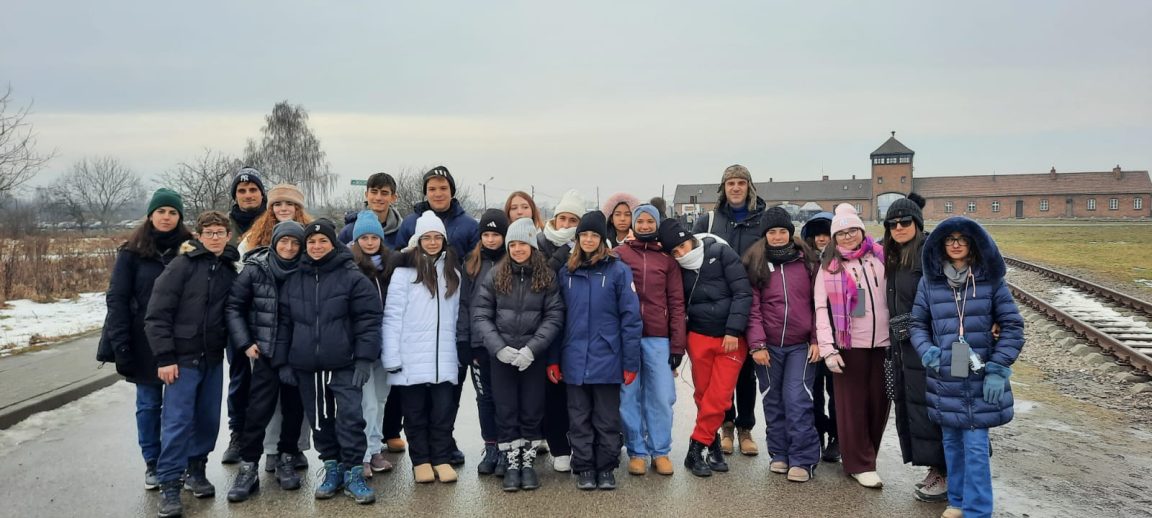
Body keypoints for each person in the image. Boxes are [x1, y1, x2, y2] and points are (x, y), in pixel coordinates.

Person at [911, 217, 1024, 518]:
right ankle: (958, 501)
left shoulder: (990, 281)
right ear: (940, 246)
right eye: (950, 239)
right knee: (951, 442)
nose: (956, 244)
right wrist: (927, 351)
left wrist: (999, 367)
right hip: (945, 376)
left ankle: (978, 510)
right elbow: (917, 323)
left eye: (962, 238)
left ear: (973, 243)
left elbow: (1013, 325)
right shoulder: (930, 283)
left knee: (975, 445)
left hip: (981, 377)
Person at [276, 219, 383, 504]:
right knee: (320, 420)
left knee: (350, 418)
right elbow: (284, 324)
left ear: (333, 244)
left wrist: (364, 358)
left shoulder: (352, 277)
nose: (317, 246)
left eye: (323, 241)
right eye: (311, 242)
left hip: (344, 363)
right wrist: (283, 362)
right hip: (307, 366)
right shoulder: (294, 279)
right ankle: (332, 468)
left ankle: (353, 471)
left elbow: (369, 319)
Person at [144, 211, 240, 518]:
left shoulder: (228, 270)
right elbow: (157, 314)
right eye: (208, 233)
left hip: (212, 358)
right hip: (182, 360)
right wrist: (165, 357)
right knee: (177, 421)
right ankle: (169, 483)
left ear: (228, 236)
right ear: (198, 236)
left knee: (208, 419)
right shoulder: (181, 266)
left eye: (220, 232)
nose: (215, 238)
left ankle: (196, 469)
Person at [97, 188, 192, 492]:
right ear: (151, 215)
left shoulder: (189, 249)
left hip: (181, 340)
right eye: (161, 211)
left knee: (179, 408)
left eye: (173, 212)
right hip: (142, 341)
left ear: (179, 217)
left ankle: (177, 462)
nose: (166, 217)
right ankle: (152, 461)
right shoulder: (132, 253)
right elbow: (117, 299)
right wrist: (121, 345)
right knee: (149, 404)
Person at [473, 217, 566, 491]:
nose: (517, 249)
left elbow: (554, 315)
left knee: (531, 409)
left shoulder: (545, 276)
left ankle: (527, 462)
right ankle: (512, 462)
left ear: (532, 246)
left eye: (522, 244)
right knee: (506, 409)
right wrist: (498, 347)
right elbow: (481, 314)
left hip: (532, 357)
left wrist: (532, 349)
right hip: (502, 356)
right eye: (512, 244)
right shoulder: (496, 274)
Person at [552, 211, 642, 491]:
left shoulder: (618, 271)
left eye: (594, 235)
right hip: (573, 357)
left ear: (602, 239)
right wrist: (554, 359)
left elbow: (631, 318)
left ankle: (606, 467)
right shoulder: (566, 272)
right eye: (584, 235)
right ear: (578, 239)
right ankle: (584, 467)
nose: (589, 240)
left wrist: (630, 362)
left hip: (607, 358)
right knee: (578, 417)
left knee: (606, 418)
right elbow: (556, 318)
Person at [657, 218, 751, 478]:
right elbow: (676, 305)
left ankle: (695, 447)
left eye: (682, 246)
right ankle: (713, 445)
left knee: (719, 397)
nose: (681, 254)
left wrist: (733, 330)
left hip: (730, 339)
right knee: (703, 394)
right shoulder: (677, 268)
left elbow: (742, 292)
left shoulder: (721, 252)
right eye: (675, 252)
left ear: (690, 238)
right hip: (698, 336)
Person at [224, 221, 308, 502]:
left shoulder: (307, 269)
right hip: (265, 352)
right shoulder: (255, 268)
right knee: (258, 409)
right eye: (284, 241)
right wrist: (245, 342)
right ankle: (248, 466)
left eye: (295, 243)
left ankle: (286, 457)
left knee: (294, 409)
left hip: (297, 353)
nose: (289, 247)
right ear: (274, 242)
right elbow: (234, 306)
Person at [382, 211, 464, 484]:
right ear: (418, 241)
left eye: (437, 237)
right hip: (411, 358)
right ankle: (421, 461)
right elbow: (392, 317)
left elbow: (456, 317)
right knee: (415, 414)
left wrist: (458, 353)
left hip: (443, 358)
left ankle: (441, 458)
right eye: (426, 237)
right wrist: (391, 356)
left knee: (442, 413)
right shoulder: (404, 272)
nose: (432, 242)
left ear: (444, 240)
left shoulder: (453, 273)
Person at [814, 203, 892, 488]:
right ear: (835, 237)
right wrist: (828, 349)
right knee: (852, 406)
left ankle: (868, 455)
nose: (847, 237)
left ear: (861, 231)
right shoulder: (829, 268)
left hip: (883, 344)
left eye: (852, 231)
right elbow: (821, 310)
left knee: (879, 404)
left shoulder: (881, 257)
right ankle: (859, 463)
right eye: (841, 233)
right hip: (849, 346)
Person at [692, 164, 767, 456]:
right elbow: (689, 255)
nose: (735, 188)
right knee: (719, 375)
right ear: (723, 188)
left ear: (749, 187)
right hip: (715, 305)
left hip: (749, 302)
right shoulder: (708, 220)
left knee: (746, 371)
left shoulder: (761, 221)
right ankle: (726, 425)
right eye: (730, 183)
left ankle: (745, 428)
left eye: (741, 183)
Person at [743, 207, 820, 483]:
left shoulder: (807, 262)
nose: (777, 236)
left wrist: (816, 339)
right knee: (773, 400)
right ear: (765, 235)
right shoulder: (756, 263)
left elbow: (818, 304)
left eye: (782, 231)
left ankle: (803, 458)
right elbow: (752, 308)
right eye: (772, 232)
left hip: (801, 345)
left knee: (797, 399)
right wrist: (757, 344)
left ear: (790, 232)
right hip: (769, 347)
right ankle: (780, 453)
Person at [882, 193, 948, 502]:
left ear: (917, 224)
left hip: (931, 344)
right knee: (917, 408)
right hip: (904, 345)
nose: (899, 227)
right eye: (892, 223)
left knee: (938, 407)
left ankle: (948, 472)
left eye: (905, 222)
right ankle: (937, 468)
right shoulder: (895, 255)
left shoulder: (931, 254)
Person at [614, 204, 686, 477]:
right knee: (628, 396)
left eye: (649, 221)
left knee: (662, 396)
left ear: (657, 224)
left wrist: (677, 345)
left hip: (658, 338)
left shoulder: (667, 260)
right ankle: (637, 451)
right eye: (640, 221)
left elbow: (676, 303)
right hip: (627, 337)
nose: (645, 226)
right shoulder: (619, 255)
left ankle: (660, 450)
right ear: (633, 224)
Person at [534, 189, 585, 473]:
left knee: (575, 392)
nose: (566, 224)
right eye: (562, 218)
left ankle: (578, 442)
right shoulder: (539, 243)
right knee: (550, 391)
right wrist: (563, 253)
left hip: (576, 327)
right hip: (544, 326)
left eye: (572, 220)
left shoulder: (586, 245)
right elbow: (540, 280)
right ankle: (557, 446)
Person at [458, 209, 509, 476]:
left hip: (505, 343)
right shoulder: (471, 264)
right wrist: (464, 340)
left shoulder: (512, 261)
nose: (490, 240)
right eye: (486, 235)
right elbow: (464, 305)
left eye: (496, 235)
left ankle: (506, 447)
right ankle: (490, 446)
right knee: (484, 398)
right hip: (478, 343)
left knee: (504, 397)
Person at [223, 167, 268, 464]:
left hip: (268, 311)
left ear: (262, 194)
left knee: (272, 378)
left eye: (253, 190)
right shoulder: (224, 227)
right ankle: (237, 434)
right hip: (236, 312)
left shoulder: (273, 221)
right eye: (242, 191)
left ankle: (278, 443)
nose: (248, 195)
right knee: (240, 376)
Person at [348, 211, 396, 478]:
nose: (369, 242)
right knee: (366, 403)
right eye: (364, 237)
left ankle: (375, 448)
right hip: (362, 346)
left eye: (374, 237)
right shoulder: (350, 266)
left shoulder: (389, 265)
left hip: (385, 344)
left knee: (380, 399)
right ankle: (363, 454)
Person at [801, 211, 840, 463]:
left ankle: (837, 435)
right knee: (813, 389)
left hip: (838, 335)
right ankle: (817, 431)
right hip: (811, 335)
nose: (822, 239)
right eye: (818, 235)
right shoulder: (805, 263)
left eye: (826, 234)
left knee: (837, 391)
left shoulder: (843, 263)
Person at [395, 166, 480, 259]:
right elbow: (399, 258)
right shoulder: (409, 223)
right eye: (432, 189)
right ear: (426, 193)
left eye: (443, 188)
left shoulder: (470, 226)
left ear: (451, 192)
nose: (438, 194)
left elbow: (476, 262)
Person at [237, 184, 312, 261]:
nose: (283, 209)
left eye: (289, 204)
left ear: (297, 208)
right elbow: (240, 260)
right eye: (278, 204)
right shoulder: (256, 235)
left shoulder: (310, 232)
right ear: (271, 209)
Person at [339, 172, 404, 250]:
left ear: (393, 198)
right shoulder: (349, 231)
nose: (378, 198)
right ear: (366, 195)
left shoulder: (403, 232)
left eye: (384, 193)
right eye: (374, 192)